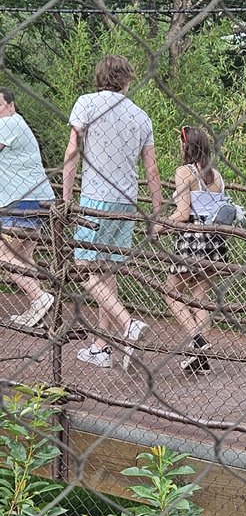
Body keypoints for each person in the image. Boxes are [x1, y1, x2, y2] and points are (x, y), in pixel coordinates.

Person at [62, 55, 162, 368]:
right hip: (127, 201)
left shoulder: (87, 103)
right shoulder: (141, 116)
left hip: (95, 198)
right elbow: (151, 168)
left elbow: (72, 150)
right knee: (106, 271)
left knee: (82, 267)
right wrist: (157, 211)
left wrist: (66, 196)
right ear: (127, 80)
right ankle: (101, 347)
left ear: (100, 76)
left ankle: (127, 323)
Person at [156, 125, 229, 374]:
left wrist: (160, 226)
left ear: (186, 147)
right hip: (214, 241)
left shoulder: (184, 172)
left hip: (192, 239)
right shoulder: (217, 176)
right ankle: (201, 358)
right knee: (200, 297)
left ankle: (197, 339)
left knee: (171, 291)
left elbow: (183, 213)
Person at [0, 89, 55, 327]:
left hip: (21, 199)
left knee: (3, 256)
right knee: (24, 257)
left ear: (10, 105)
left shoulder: (9, 123)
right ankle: (38, 310)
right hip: (36, 197)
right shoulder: (16, 123)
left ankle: (40, 297)